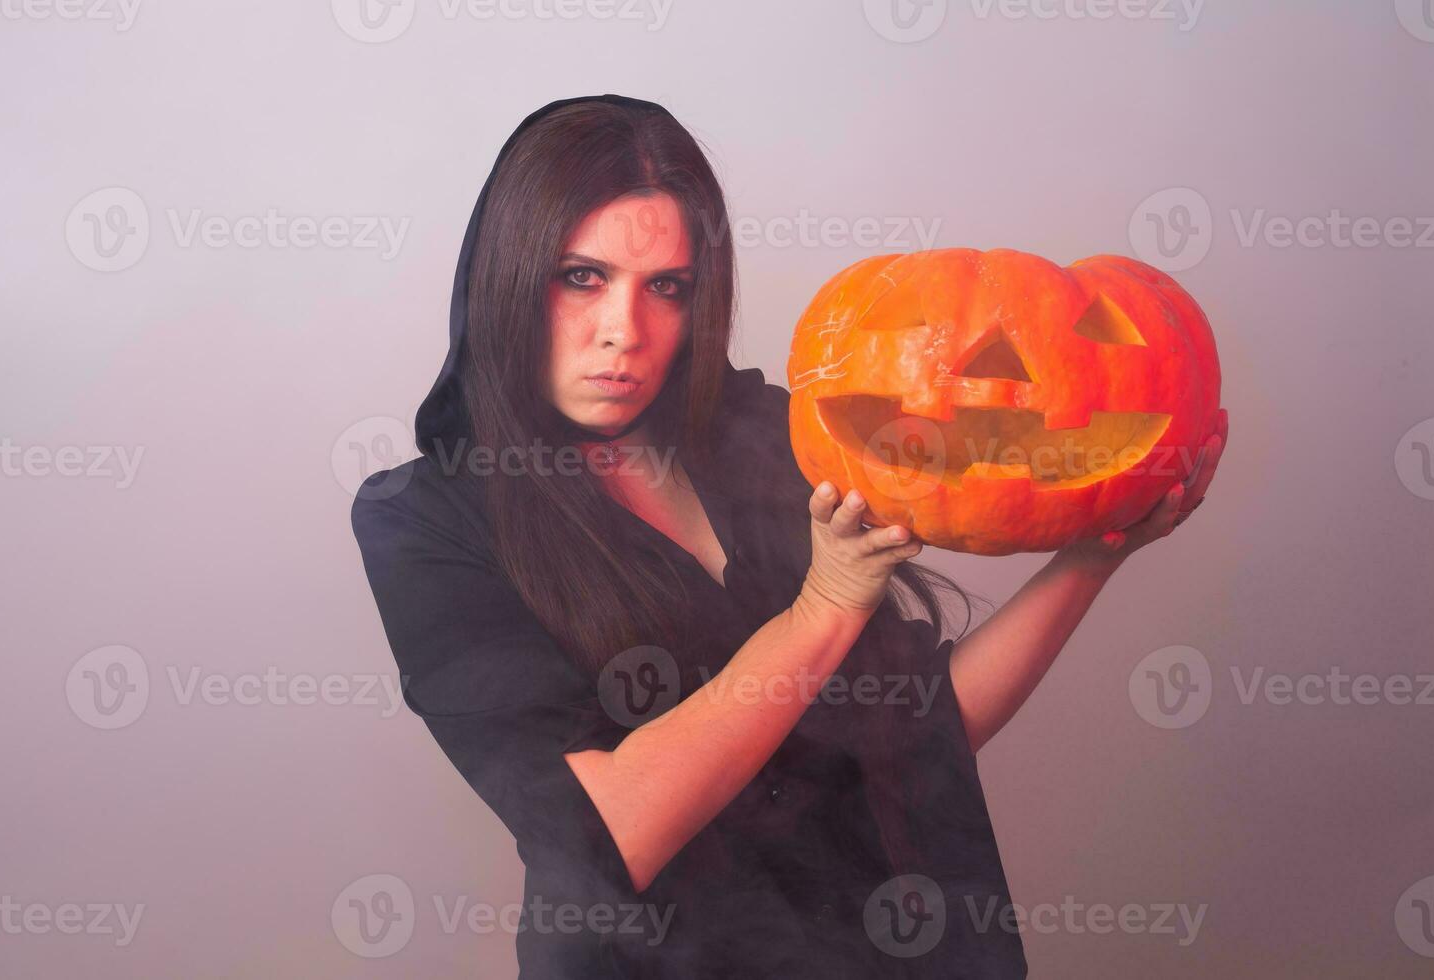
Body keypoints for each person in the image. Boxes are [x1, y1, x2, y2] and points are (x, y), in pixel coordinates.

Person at [350, 94, 1226, 979]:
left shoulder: (772, 434)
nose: (625, 331)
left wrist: (1093, 554)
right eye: (582, 277)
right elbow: (606, 831)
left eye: (667, 287)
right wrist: (825, 605)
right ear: (507, 275)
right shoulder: (427, 522)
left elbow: (923, 733)